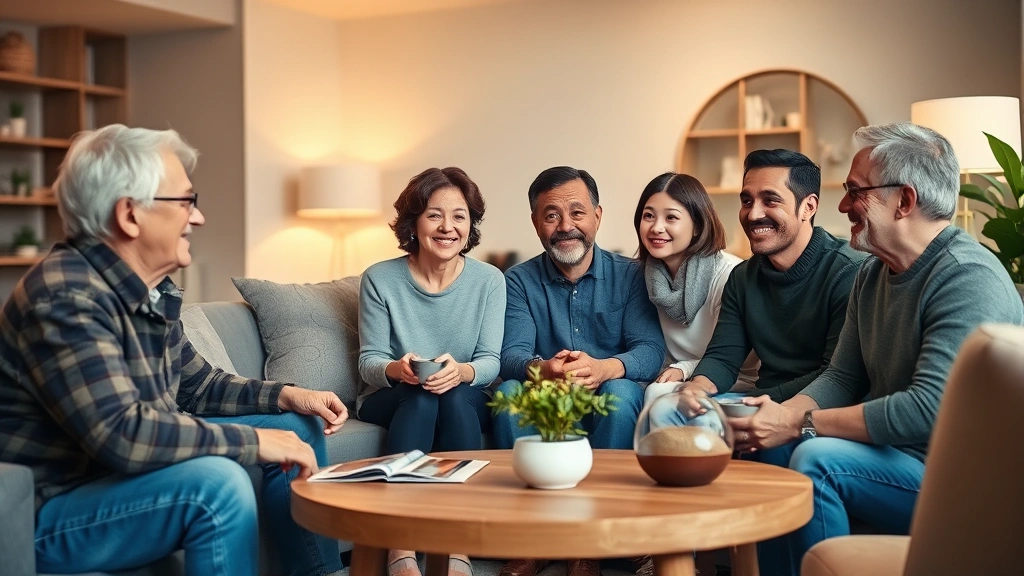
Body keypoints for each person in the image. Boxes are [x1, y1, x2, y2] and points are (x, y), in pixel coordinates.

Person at [0, 124, 347, 576]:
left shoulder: (148, 289)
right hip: (49, 512)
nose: (197, 218)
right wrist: (256, 441)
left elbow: (198, 386)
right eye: (185, 202)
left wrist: (286, 395)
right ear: (130, 214)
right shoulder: (65, 297)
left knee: (297, 424)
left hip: (111, 478)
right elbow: (122, 434)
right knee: (216, 486)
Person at [727, 123, 1024, 576]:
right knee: (768, 447)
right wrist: (778, 418)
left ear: (904, 201)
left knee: (817, 460)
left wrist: (799, 423)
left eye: (855, 191)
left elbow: (928, 410)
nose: (842, 205)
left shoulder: (967, 278)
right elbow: (842, 376)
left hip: (964, 482)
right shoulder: (872, 273)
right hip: (899, 457)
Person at [495, 166, 665, 576]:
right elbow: (511, 354)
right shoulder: (517, 281)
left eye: (577, 212)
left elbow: (650, 350)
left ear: (597, 216)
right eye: (551, 215)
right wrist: (543, 369)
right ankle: (531, 539)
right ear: (535, 222)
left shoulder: (631, 274)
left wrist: (605, 368)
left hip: (607, 395)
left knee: (622, 393)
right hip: (548, 398)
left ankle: (589, 544)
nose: (565, 226)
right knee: (510, 394)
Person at [358, 167, 506, 576]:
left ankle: (456, 543)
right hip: (394, 395)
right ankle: (400, 544)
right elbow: (369, 362)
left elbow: (490, 360)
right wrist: (398, 368)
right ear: (414, 222)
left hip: (463, 393)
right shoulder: (379, 279)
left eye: (459, 216)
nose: (447, 227)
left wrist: (461, 371)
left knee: (451, 397)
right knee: (422, 397)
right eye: (434, 215)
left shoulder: (489, 281)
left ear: (470, 225)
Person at [677, 149, 866, 402]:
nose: (753, 214)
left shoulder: (849, 272)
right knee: (670, 409)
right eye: (747, 202)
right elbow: (723, 358)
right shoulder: (742, 278)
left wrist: (758, 403)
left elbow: (836, 376)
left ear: (808, 207)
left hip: (819, 408)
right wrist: (696, 388)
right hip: (761, 402)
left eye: (770, 201)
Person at [633, 172, 759, 411]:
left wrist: (685, 368)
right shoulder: (643, 276)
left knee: (659, 394)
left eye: (671, 217)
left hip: (732, 379)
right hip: (673, 375)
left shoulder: (729, 275)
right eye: (648, 216)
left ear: (697, 226)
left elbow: (742, 359)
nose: (656, 227)